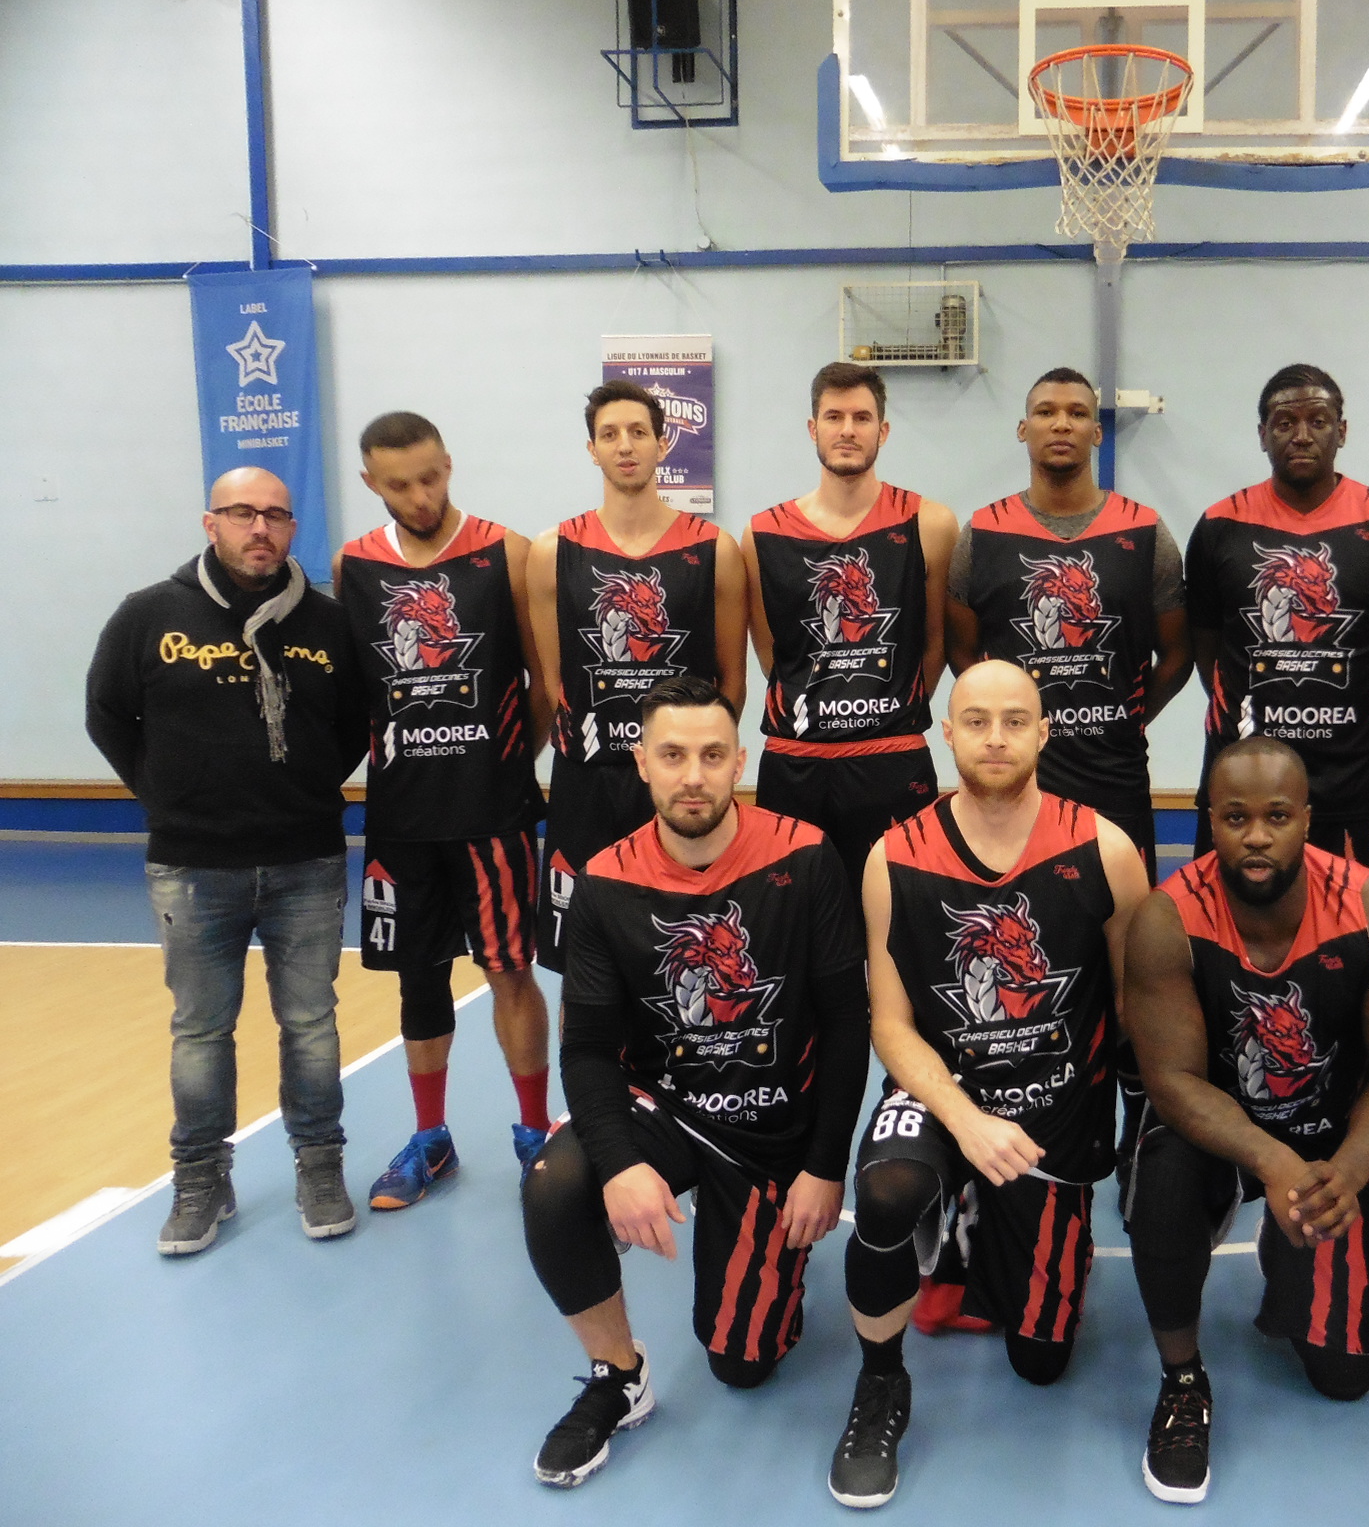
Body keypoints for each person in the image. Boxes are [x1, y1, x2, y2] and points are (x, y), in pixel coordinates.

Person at [519, 675, 869, 1487]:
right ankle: (618, 1376)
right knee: (553, 1186)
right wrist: (620, 1164)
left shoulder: (805, 856)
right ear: (642, 763)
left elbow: (846, 1025)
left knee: (742, 1365)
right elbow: (588, 1049)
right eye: (673, 756)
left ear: (739, 762)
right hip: (666, 1108)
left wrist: (824, 1167)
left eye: (712, 756)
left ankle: (757, 1236)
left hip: (772, 1128)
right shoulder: (607, 880)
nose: (693, 776)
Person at [827, 660, 1150, 1509]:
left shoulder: (1105, 849)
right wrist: (965, 1120)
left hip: (1054, 1115)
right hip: (943, 1097)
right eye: (976, 721)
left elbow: (1136, 1009)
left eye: (1014, 721)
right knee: (888, 1193)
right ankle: (881, 1381)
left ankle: (983, 1225)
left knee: (1040, 1359)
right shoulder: (894, 856)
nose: (996, 738)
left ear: (1045, 731)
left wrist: (1142, 1138)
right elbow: (891, 1025)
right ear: (948, 733)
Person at [1120, 737, 1369, 1504]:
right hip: (1214, 1128)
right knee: (1160, 1184)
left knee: (1346, 1376)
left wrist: (1349, 1171)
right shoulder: (1167, 919)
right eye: (1235, 818)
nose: (1256, 836)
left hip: (1328, 1139)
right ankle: (1182, 1379)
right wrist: (1268, 1161)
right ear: (1209, 821)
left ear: (1307, 819)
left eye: (1276, 817)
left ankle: (1285, 1248)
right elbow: (1171, 1080)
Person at [86, 466, 369, 1254]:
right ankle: (201, 1178)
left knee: (310, 1024)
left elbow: (355, 723)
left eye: (276, 515)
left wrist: (308, 785)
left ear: (291, 529)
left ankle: (320, 1165)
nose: (261, 528)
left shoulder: (327, 623)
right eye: (243, 513)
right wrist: (165, 794)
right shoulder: (148, 614)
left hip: (306, 860)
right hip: (191, 866)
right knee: (201, 1031)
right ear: (210, 523)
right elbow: (107, 712)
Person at [335, 412, 554, 1207]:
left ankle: (535, 1132)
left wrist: (505, 766)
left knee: (510, 970)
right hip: (401, 818)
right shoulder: (355, 565)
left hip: (491, 813)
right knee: (417, 981)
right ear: (372, 483)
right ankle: (432, 1139)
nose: (421, 496)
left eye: (431, 477)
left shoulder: (506, 551)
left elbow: (545, 684)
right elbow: (357, 693)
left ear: (449, 464)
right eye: (400, 484)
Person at [528, 379, 748, 975]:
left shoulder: (715, 549)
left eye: (638, 432)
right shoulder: (552, 552)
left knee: (687, 954)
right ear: (592, 449)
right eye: (609, 434)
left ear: (662, 444)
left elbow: (732, 682)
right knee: (582, 967)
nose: (625, 445)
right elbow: (553, 681)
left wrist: (691, 760)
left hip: (679, 785)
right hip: (587, 783)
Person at [945, 366, 1193, 879]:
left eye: (1077, 414)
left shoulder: (1145, 531)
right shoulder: (982, 534)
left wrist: (1131, 718)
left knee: (1126, 924)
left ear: (1097, 432)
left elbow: (1178, 654)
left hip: (1116, 777)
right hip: (1016, 782)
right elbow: (961, 652)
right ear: (1023, 429)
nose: (1061, 424)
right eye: (1046, 412)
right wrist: (1009, 727)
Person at [1184, 364, 1369, 883]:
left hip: (1356, 787)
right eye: (1284, 423)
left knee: (1365, 926)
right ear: (1262, 435)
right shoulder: (1218, 527)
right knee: (1228, 924)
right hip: (1243, 786)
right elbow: (1208, 650)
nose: (1301, 435)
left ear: (1342, 431)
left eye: (1318, 421)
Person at [742, 362, 959, 889]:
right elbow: (773, 653)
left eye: (861, 418)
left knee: (897, 918)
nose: (847, 430)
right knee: (795, 922)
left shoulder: (930, 523)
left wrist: (887, 709)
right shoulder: (762, 534)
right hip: (795, 763)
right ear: (812, 428)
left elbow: (935, 645)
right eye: (833, 417)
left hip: (893, 759)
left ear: (883, 430)